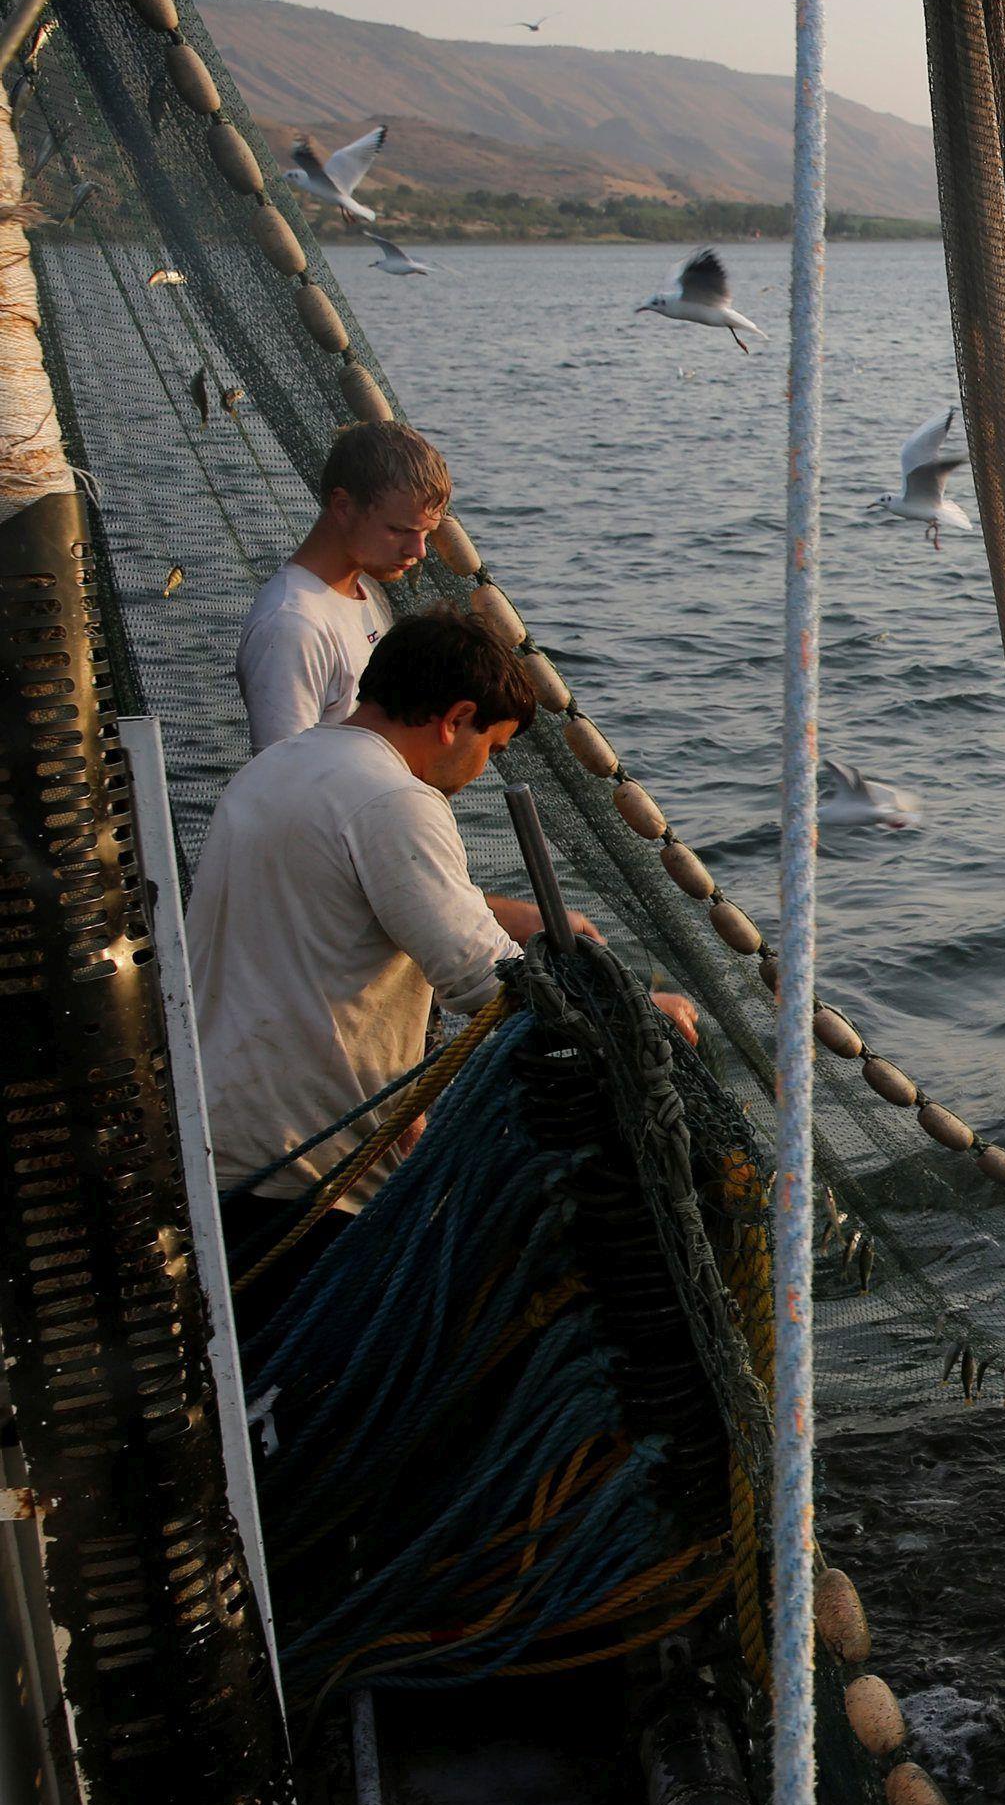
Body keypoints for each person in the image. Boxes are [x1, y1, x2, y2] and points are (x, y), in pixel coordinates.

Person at [190, 611, 697, 1336]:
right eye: (491, 746)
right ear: (457, 718)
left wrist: (500, 913)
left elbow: (348, 899)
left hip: (217, 1147)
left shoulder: (283, 767)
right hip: (299, 1176)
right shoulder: (395, 799)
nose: (483, 769)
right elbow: (488, 983)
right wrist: (639, 1010)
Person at [235, 419, 452, 752]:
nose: (418, 551)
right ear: (342, 506)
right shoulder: (291, 626)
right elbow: (282, 779)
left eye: (425, 533)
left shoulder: (368, 591)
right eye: (398, 530)